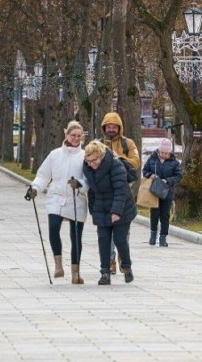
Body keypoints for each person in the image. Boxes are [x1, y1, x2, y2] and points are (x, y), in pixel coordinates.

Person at [26, 121, 89, 284]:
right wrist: (35, 188)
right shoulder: (55, 155)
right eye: (73, 135)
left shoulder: (85, 156)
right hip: (56, 197)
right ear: (66, 134)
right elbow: (43, 175)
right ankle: (58, 265)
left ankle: (75, 272)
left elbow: (89, 179)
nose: (75, 139)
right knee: (53, 228)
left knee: (76, 236)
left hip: (76, 199)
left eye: (78, 136)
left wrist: (80, 185)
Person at [82, 140, 136, 285]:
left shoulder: (115, 165)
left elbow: (121, 190)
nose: (91, 164)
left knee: (119, 239)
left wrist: (116, 212)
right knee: (103, 240)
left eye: (94, 161)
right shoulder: (88, 168)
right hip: (102, 207)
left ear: (100, 156)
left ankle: (126, 267)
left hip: (122, 207)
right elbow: (92, 191)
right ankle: (105, 272)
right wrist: (93, 209)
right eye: (88, 161)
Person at [99, 112, 140, 274]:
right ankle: (109, 260)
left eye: (114, 126)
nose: (111, 129)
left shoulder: (127, 143)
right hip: (104, 193)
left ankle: (123, 257)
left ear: (119, 128)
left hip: (124, 192)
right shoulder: (97, 143)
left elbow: (135, 162)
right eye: (108, 126)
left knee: (123, 229)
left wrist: (118, 158)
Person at [142, 138, 183, 247]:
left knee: (165, 215)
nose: (163, 155)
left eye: (166, 153)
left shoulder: (174, 162)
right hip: (154, 190)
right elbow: (145, 171)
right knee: (154, 213)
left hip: (167, 191)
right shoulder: (152, 159)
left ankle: (163, 237)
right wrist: (150, 175)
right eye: (162, 152)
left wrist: (168, 180)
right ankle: (153, 234)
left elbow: (179, 176)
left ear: (169, 152)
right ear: (158, 151)